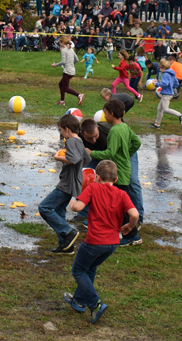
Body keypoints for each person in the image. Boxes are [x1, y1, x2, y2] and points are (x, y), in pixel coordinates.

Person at [63, 160, 138, 324]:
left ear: (97, 177)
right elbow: (134, 214)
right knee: (90, 268)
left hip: (94, 241)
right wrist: (129, 227)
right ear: (116, 179)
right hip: (112, 244)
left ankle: (95, 303)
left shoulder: (93, 188)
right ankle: (78, 301)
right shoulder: (122, 194)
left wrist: (71, 202)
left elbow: (77, 208)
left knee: (78, 270)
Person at [87, 99, 143, 246]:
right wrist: (126, 154)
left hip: (117, 173)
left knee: (120, 206)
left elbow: (110, 153)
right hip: (125, 169)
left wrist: (92, 153)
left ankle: (132, 236)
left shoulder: (114, 131)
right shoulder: (124, 127)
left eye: (105, 113)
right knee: (118, 204)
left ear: (112, 113)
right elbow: (137, 142)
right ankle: (120, 231)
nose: (104, 116)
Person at [39, 114, 90, 254]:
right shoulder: (80, 141)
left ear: (67, 129)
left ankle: (68, 232)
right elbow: (86, 159)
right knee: (59, 212)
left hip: (67, 183)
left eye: (61, 130)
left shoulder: (71, 142)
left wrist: (57, 157)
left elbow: (73, 159)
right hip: (74, 183)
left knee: (44, 207)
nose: (61, 133)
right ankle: (66, 246)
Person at [152, 59, 182, 128]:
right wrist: (171, 87)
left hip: (166, 94)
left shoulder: (165, 74)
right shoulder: (172, 74)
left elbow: (165, 83)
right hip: (168, 93)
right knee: (159, 108)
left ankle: (180, 115)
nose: (159, 69)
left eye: (160, 68)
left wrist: (156, 84)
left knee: (165, 109)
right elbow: (176, 84)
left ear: (163, 68)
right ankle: (157, 123)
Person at [52, 35, 84, 106]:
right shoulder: (71, 50)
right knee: (61, 84)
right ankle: (62, 101)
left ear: (62, 42)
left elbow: (63, 61)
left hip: (67, 72)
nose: (59, 43)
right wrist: (70, 64)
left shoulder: (63, 50)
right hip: (72, 71)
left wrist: (55, 65)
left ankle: (79, 95)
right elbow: (77, 59)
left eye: (59, 42)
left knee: (65, 88)